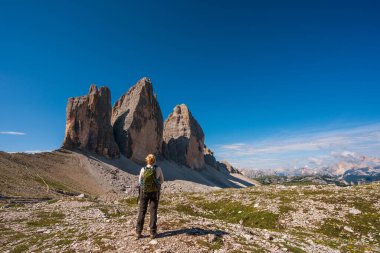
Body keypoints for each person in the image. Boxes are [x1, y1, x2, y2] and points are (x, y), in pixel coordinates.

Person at [136, 154, 164, 239]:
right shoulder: (158, 169)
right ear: (154, 160)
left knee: (142, 211)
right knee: (153, 211)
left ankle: (138, 232)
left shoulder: (143, 169)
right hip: (154, 193)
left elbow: (140, 181)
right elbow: (162, 180)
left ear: (147, 160)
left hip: (144, 192)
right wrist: (156, 184)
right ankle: (152, 233)